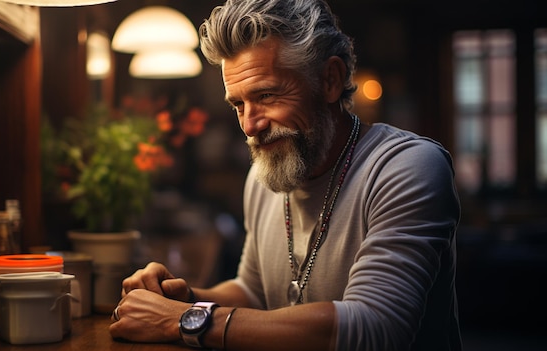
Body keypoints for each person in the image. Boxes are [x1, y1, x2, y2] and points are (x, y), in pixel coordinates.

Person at [109, 0, 462, 350]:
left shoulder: (407, 167)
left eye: (266, 95)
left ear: (330, 81)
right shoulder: (266, 173)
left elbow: (375, 328)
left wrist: (180, 320)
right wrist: (182, 298)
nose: (250, 126)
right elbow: (253, 292)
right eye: (238, 105)